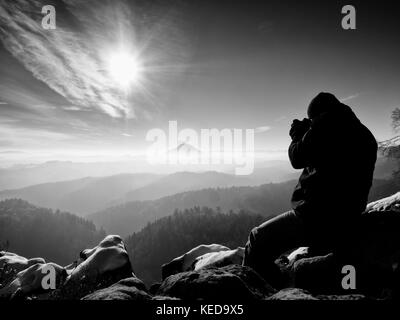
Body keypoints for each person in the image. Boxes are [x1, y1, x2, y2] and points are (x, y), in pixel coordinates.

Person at [242, 92, 378, 288]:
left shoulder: (326, 124)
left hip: (317, 216)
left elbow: (297, 157)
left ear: (318, 115)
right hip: (349, 214)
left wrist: (298, 135)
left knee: (257, 238)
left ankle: (260, 291)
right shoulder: (363, 133)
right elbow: (329, 159)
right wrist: (309, 132)